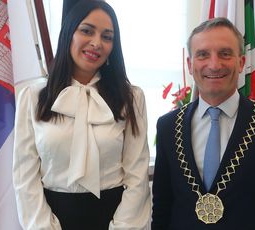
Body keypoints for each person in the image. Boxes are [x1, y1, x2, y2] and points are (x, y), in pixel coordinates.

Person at [12, 0, 151, 229]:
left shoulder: (132, 98)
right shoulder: (33, 96)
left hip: (114, 219)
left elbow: (137, 176)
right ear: (69, 33)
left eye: (107, 37)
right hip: (51, 220)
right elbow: (24, 176)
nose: (97, 43)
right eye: (87, 31)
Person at [151, 17, 255, 229]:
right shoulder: (168, 126)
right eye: (202, 54)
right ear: (190, 64)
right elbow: (162, 207)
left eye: (225, 53)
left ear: (241, 62)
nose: (214, 64)